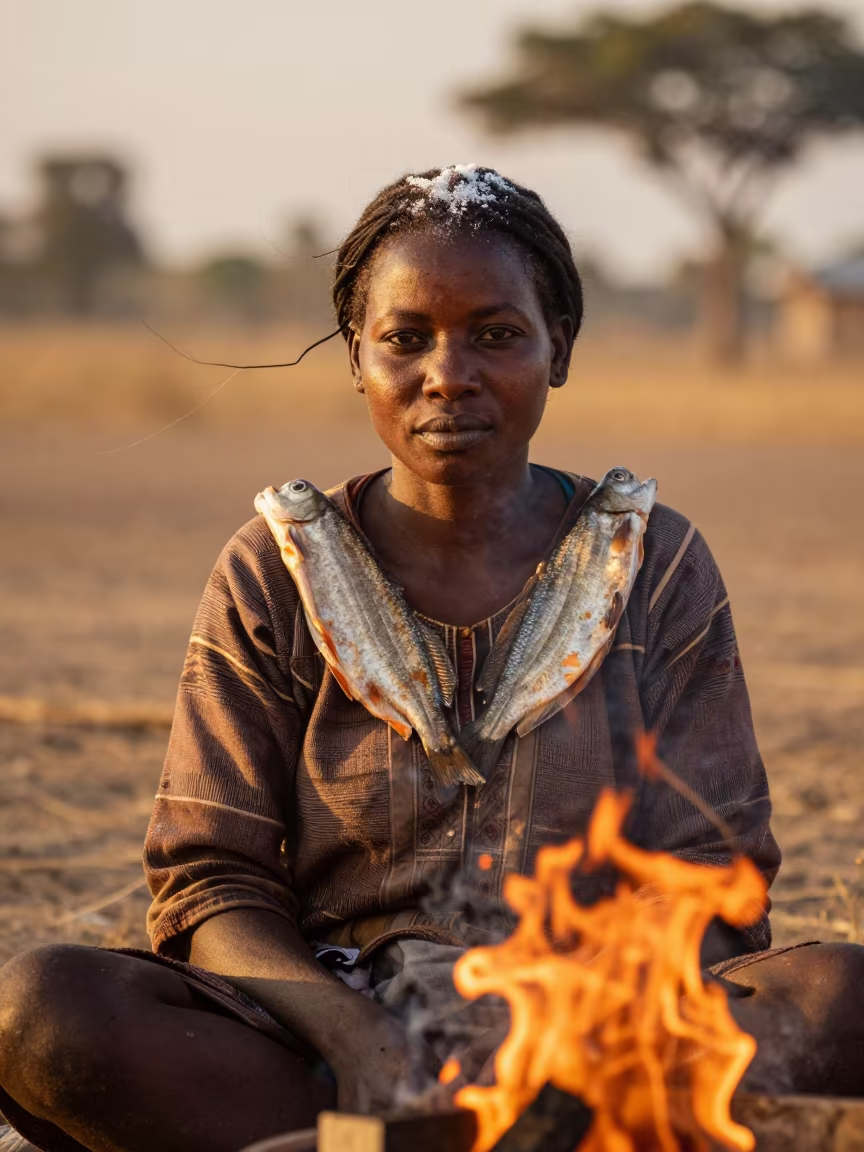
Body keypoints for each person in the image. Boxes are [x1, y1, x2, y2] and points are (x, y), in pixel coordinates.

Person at [0, 165, 862, 1152]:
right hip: (325, 1039)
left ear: (559, 350)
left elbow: (713, 878)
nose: (448, 373)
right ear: (357, 358)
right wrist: (358, 1038)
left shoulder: (653, 563)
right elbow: (212, 883)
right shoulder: (276, 569)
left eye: (496, 335)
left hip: (600, 1032)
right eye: (405, 339)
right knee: (44, 1009)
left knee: (842, 998)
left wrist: (576, 1029)